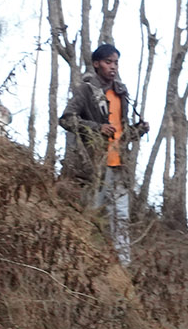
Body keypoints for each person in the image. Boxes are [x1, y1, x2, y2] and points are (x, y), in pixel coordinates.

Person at [59, 42, 145, 271]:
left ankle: (123, 268)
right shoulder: (87, 90)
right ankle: (86, 262)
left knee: (121, 217)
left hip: (119, 166)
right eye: (108, 62)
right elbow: (66, 119)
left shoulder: (121, 92)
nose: (113, 67)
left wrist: (138, 130)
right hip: (94, 166)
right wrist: (96, 128)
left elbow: (121, 133)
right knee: (93, 214)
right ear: (97, 64)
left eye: (116, 62)